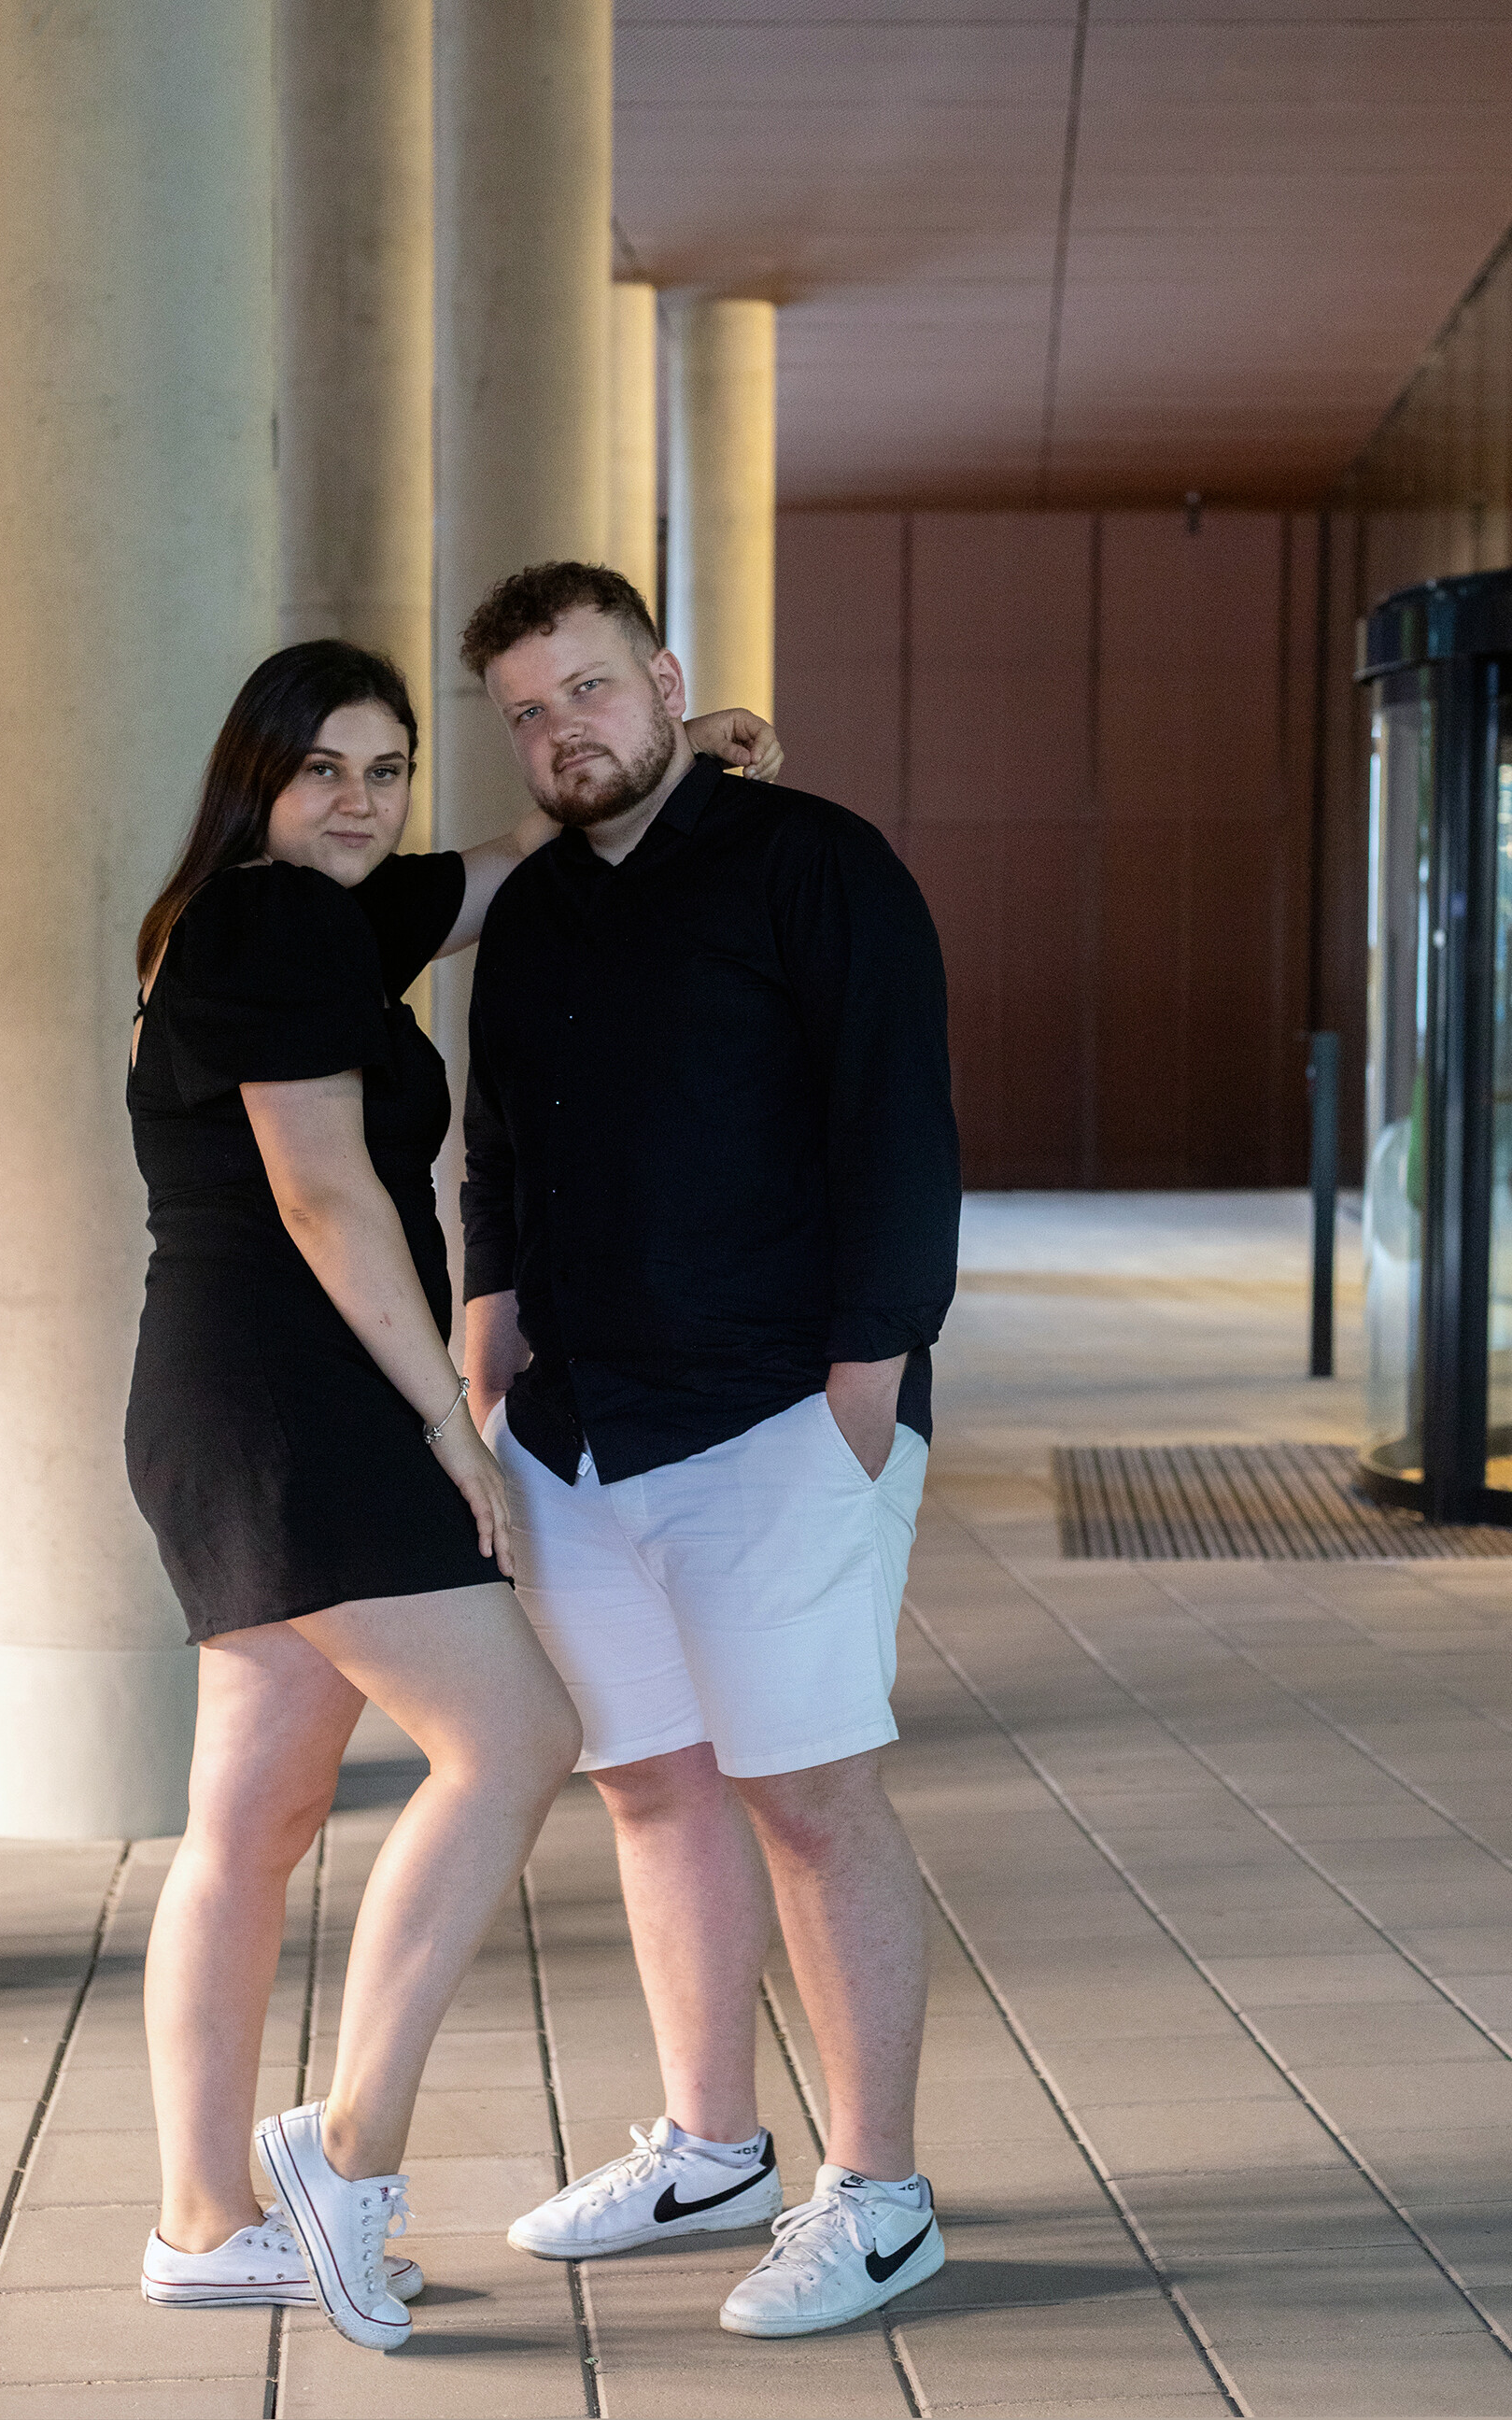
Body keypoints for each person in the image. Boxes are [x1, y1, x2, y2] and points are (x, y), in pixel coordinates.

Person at [124, 636, 779, 2354]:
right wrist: (448, 1424)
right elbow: (326, 1196)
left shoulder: (310, 912)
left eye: (389, 768)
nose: (361, 801)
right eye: (323, 769)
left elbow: (493, 868)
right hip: (301, 1402)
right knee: (514, 1736)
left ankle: (204, 2225)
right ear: (256, 778)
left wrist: (678, 748)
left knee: (250, 1823)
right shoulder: (273, 923)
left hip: (233, 1399)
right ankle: (346, 2151)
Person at [459, 562, 963, 2339]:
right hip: (576, 1431)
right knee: (651, 1783)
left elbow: (898, 1125)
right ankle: (711, 2149)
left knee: (810, 1798)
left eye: (589, 687)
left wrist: (863, 1392)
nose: (563, 730)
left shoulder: (818, 864)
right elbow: (497, 1151)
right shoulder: (532, 909)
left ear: (667, 681)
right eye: (527, 710)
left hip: (775, 1417)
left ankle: (880, 2198)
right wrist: (489, 1336)